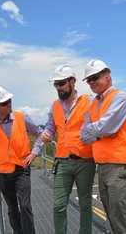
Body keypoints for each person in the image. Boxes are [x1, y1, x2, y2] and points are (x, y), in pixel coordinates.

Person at [80, 59, 126, 234]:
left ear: (108, 75)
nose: (92, 82)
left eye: (95, 77)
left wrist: (99, 131)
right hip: (104, 164)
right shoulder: (93, 104)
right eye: (89, 80)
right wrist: (101, 131)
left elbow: (107, 127)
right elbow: (84, 135)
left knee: (121, 216)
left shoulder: (121, 97)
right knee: (112, 215)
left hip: (120, 163)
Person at [37, 65, 96, 234]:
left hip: (85, 161)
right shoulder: (55, 106)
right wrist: (46, 135)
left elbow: (98, 125)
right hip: (62, 161)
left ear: (72, 82)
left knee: (85, 204)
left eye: (61, 83)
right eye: (56, 84)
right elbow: (50, 127)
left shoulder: (88, 101)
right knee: (59, 205)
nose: (58, 88)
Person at [0, 86, 41, 234]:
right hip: (3, 171)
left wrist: (34, 153)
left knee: (25, 206)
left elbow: (39, 133)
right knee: (12, 208)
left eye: (9, 101)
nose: (9, 104)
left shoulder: (22, 117)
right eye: (5, 102)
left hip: (22, 168)